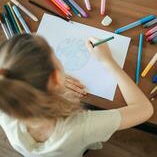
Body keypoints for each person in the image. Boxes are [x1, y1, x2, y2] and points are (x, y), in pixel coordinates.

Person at [0, 34, 153, 157]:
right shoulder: (81, 127)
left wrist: (52, 84)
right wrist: (108, 61)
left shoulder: (5, 98)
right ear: (55, 78)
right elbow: (144, 109)